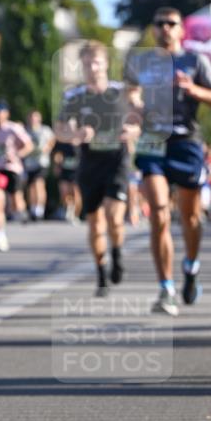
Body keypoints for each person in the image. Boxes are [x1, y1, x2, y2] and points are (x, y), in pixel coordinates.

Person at [126, 7, 211, 314]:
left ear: (181, 30)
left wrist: (193, 89)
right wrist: (135, 103)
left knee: (191, 217)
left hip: (187, 143)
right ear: (154, 29)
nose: (166, 28)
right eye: (160, 24)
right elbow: (129, 93)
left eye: (172, 23)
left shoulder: (194, 61)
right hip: (153, 142)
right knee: (159, 212)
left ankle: (191, 265)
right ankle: (165, 288)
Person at [55, 41, 136, 297]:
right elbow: (60, 129)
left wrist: (131, 130)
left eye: (96, 63)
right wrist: (75, 133)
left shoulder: (121, 92)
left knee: (113, 216)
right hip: (90, 163)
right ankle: (101, 272)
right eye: (87, 64)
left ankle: (118, 253)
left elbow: (140, 120)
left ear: (106, 64)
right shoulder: (75, 96)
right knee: (95, 222)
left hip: (117, 161)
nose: (92, 68)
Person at [0, 101, 32, 252]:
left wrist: (17, 155)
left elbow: (29, 145)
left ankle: (21, 212)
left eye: (1, 112)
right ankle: (0, 235)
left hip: (11, 168)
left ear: (6, 114)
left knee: (16, 202)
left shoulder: (13, 128)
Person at [24, 110, 55, 221]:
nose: (33, 120)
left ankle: (40, 209)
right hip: (29, 163)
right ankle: (33, 208)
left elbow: (52, 140)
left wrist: (46, 149)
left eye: (35, 117)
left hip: (41, 162)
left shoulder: (45, 130)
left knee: (39, 184)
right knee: (31, 187)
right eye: (31, 117)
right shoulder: (26, 130)